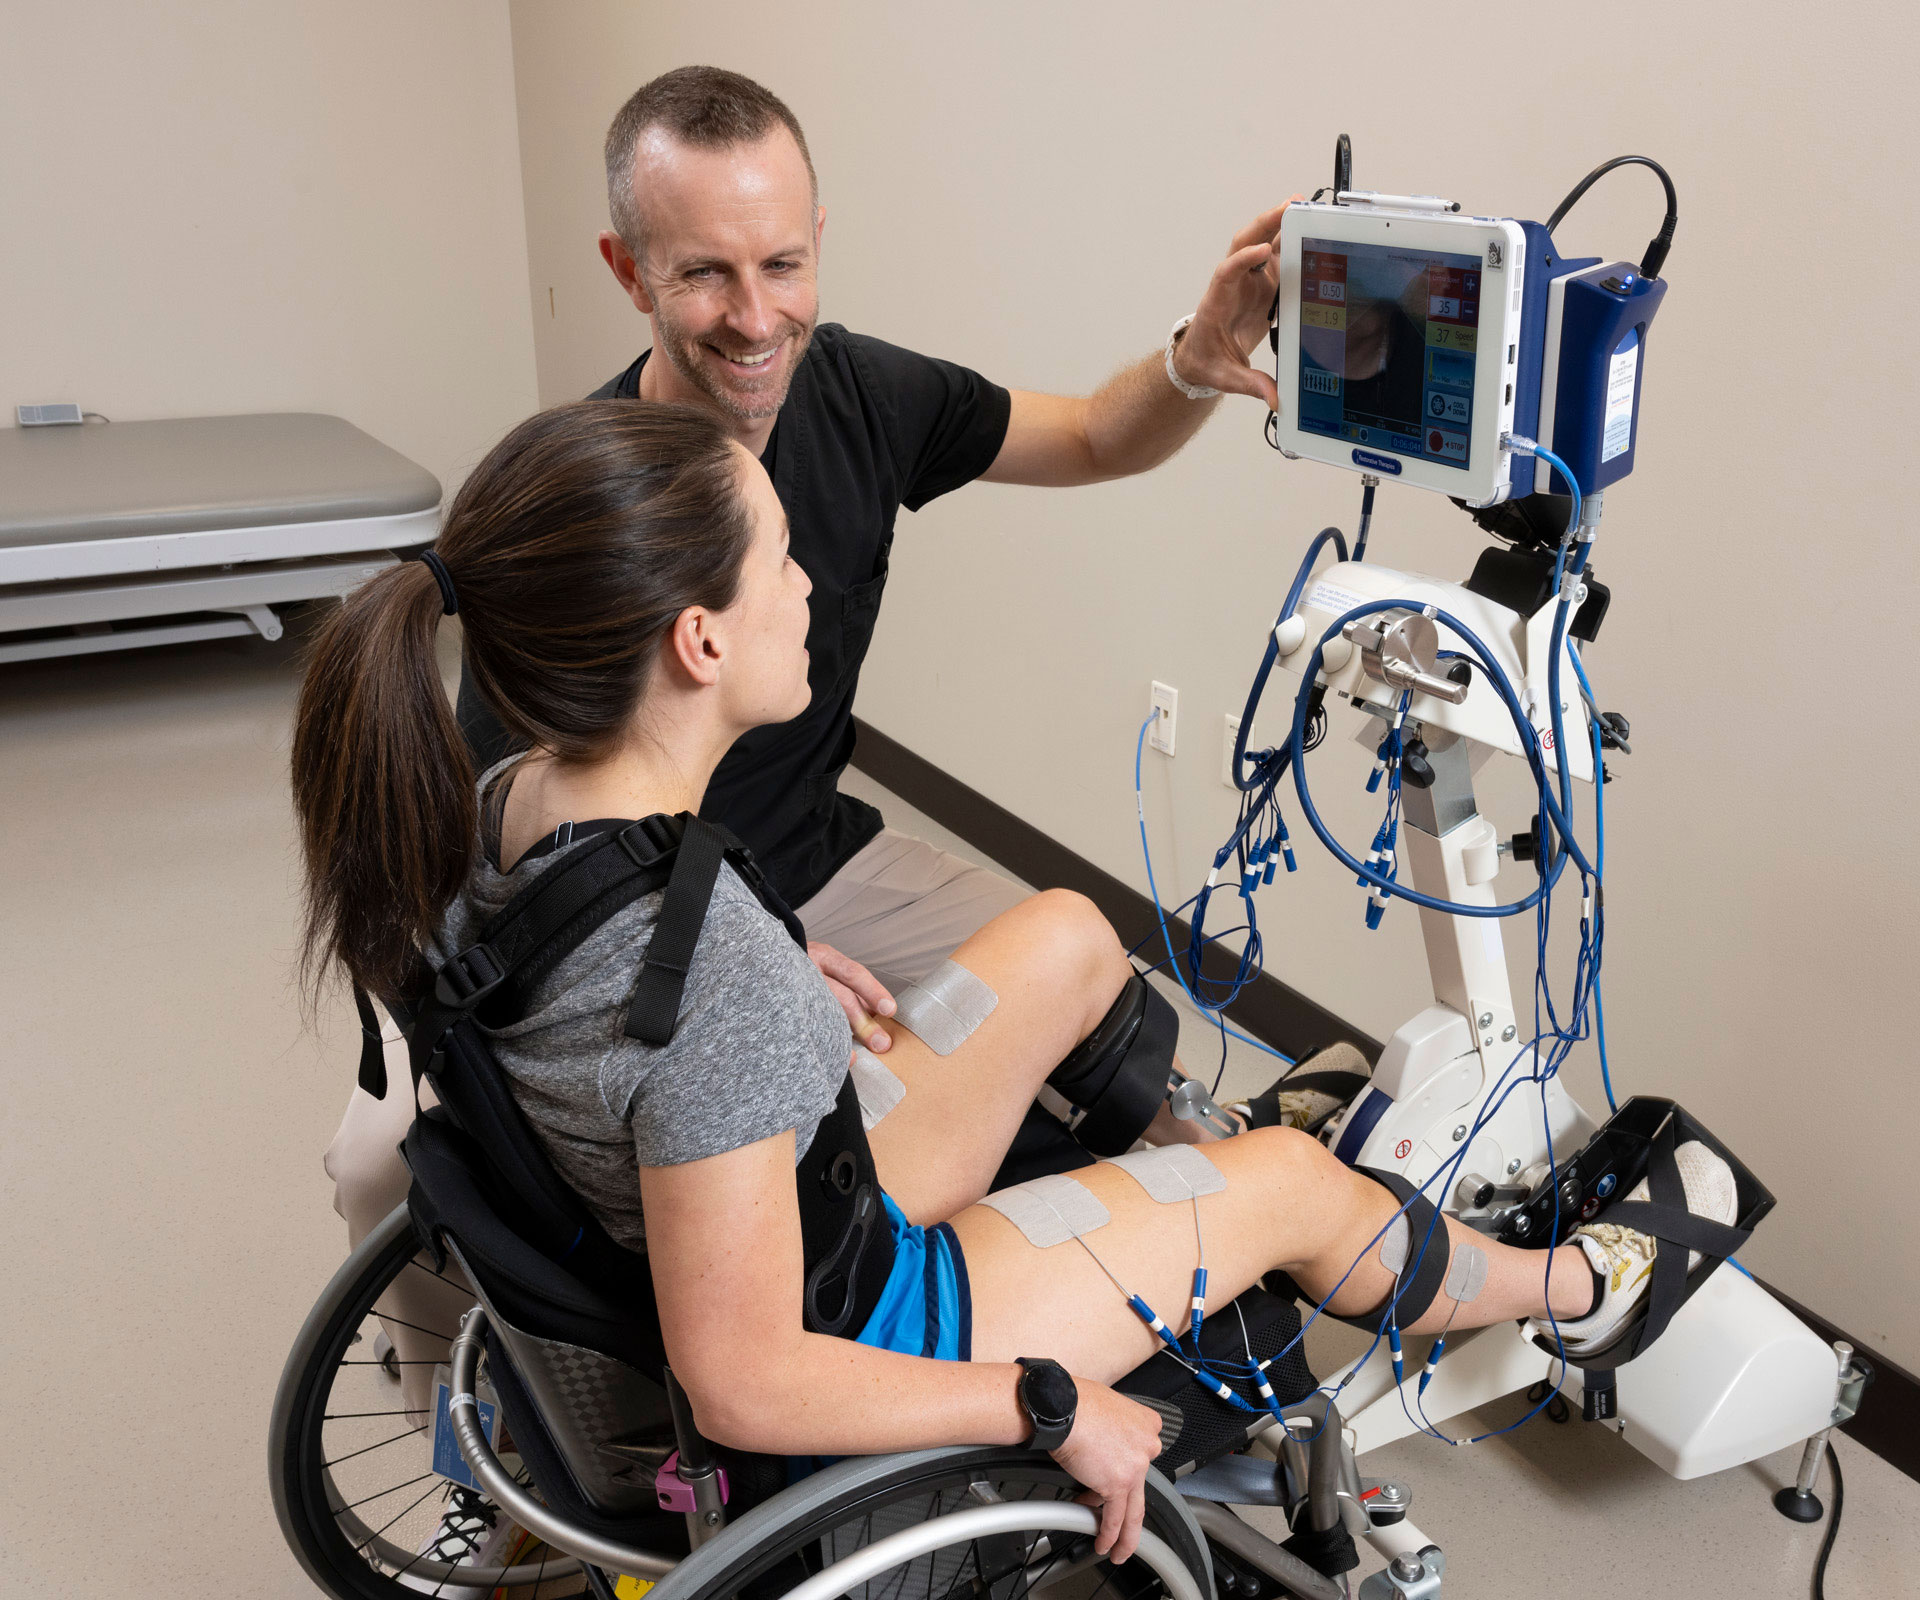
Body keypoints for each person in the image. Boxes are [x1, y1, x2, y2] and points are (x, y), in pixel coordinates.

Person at [291, 400, 1734, 1563]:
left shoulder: (501, 804)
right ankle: (1570, 1288)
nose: (807, 585)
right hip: (857, 1313)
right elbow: (742, 1383)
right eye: (781, 559)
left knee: (1061, 936)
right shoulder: (701, 978)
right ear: (700, 641)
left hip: (792, 1179)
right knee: (1299, 1179)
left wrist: (774, 956)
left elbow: (630, 1006)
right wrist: (1045, 1409)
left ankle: (1178, 1172)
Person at [323, 62, 1303, 1350]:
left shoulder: (858, 397)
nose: (753, 318)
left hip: (821, 864)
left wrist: (1194, 359)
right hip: (652, 920)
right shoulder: (594, 502)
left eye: (781, 265)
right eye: (703, 275)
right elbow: (510, 836)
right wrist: (761, 962)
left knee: (1090, 1006)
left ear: (818, 243)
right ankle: (503, 1468)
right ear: (627, 271)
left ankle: (1199, 1250)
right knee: (377, 1168)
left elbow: (1090, 439)